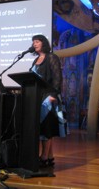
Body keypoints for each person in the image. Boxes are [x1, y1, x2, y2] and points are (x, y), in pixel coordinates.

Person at [29, 34, 65, 168]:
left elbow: (57, 78)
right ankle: (49, 156)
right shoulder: (36, 60)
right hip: (37, 97)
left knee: (46, 128)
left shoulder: (52, 57)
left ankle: (44, 156)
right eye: (33, 42)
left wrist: (53, 95)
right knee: (44, 127)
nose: (34, 44)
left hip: (49, 97)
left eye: (37, 41)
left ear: (43, 43)